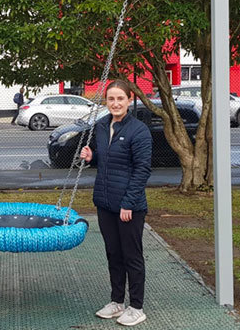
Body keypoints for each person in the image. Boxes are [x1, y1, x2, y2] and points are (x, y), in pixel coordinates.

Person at [80, 79, 152, 327]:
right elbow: (109, 161)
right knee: (113, 254)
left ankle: (137, 306)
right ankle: (117, 301)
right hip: (105, 202)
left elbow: (142, 169)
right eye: (111, 99)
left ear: (129, 100)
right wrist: (93, 157)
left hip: (128, 205)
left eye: (120, 98)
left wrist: (128, 203)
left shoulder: (139, 130)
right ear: (106, 101)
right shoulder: (101, 126)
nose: (115, 103)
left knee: (132, 255)